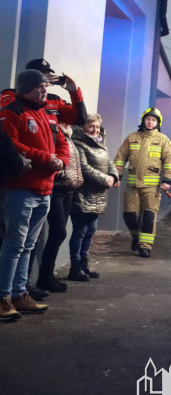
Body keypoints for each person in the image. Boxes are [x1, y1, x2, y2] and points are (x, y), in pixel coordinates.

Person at [0, 69, 70, 320]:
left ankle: (20, 293)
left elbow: (62, 142)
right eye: (40, 86)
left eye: (45, 86)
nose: (45, 90)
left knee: (28, 245)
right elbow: (9, 145)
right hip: (21, 188)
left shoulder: (47, 115)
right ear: (25, 88)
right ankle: (3, 297)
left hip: (45, 190)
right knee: (14, 244)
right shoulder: (12, 113)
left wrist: (61, 161)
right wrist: (45, 159)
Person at [113, 108, 171, 258]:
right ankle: (136, 236)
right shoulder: (132, 138)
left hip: (152, 188)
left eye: (154, 120)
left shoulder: (163, 140)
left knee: (148, 218)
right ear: (143, 120)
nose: (150, 122)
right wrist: (117, 175)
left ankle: (145, 246)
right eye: (148, 119)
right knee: (129, 216)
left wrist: (167, 179)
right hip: (132, 186)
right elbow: (120, 158)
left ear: (158, 122)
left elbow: (170, 161)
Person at [34, 123, 83, 292]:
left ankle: (47, 277)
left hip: (68, 189)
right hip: (57, 188)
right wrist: (61, 171)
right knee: (58, 232)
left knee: (57, 233)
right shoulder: (53, 132)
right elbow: (56, 158)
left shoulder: (68, 135)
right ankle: (43, 277)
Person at [69, 114, 117, 281]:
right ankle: (75, 266)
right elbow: (84, 167)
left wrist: (113, 175)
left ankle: (84, 264)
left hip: (97, 193)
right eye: (91, 126)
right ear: (83, 127)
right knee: (80, 231)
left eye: (97, 127)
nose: (95, 130)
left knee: (90, 230)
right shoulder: (78, 143)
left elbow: (110, 162)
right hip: (83, 193)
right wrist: (106, 179)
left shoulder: (100, 143)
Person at [0, 58, 87, 126]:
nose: (45, 78)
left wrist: (74, 92)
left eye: (47, 74)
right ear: (27, 76)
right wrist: (35, 84)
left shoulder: (55, 100)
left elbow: (79, 119)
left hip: (51, 145)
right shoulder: (9, 94)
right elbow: (13, 111)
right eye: (41, 74)